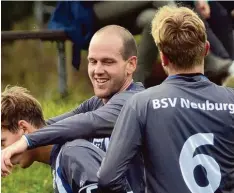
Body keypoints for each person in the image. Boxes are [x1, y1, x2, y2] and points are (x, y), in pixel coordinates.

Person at [97, 5, 234, 193]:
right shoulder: (231, 101)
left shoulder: (141, 104)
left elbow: (107, 178)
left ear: (163, 58)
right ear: (206, 49)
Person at [1, 25, 145, 193]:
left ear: (131, 65)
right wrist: (23, 141)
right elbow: (53, 126)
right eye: (92, 61)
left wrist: (24, 141)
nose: (97, 70)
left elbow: (89, 123)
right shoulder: (97, 103)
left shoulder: (136, 101)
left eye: (107, 62)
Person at [1, 86, 105, 193]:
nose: (2, 151)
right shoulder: (59, 159)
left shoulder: (72, 154)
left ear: (24, 128)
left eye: (2, 142)